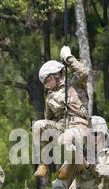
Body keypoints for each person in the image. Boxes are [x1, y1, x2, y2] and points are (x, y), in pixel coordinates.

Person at [33, 45, 91, 180]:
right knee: (38, 125)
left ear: (57, 74)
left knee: (64, 140)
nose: (47, 85)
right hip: (62, 127)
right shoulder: (50, 97)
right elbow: (49, 119)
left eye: (48, 80)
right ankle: (44, 163)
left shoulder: (75, 84)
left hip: (79, 126)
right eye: (45, 84)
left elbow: (84, 72)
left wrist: (68, 57)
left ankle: (75, 164)